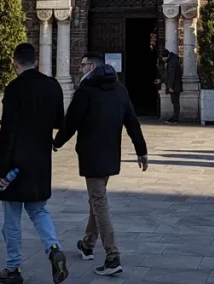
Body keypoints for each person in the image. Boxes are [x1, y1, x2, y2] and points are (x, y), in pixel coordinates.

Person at [54, 52, 148, 278]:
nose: (80, 69)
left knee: (99, 201)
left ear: (93, 67)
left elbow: (71, 122)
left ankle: (112, 255)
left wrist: (56, 142)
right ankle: (88, 243)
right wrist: (141, 150)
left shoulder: (85, 91)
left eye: (83, 65)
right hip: (111, 154)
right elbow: (132, 122)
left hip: (91, 154)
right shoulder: (120, 89)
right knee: (97, 198)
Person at [0, 42, 68, 284]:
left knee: (12, 219)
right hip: (40, 159)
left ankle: (13, 269)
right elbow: (59, 120)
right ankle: (53, 248)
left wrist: (1, 171)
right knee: (38, 210)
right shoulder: (53, 86)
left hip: (15, 162)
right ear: (37, 61)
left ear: (15, 62)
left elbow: (8, 132)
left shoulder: (14, 89)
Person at [156, 48, 183, 124]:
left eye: (163, 58)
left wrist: (170, 86)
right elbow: (167, 74)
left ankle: (175, 118)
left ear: (166, 56)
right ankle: (174, 117)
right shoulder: (172, 61)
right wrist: (161, 80)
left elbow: (171, 75)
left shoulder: (172, 62)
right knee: (174, 102)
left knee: (175, 102)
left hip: (175, 86)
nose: (163, 60)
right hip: (175, 85)